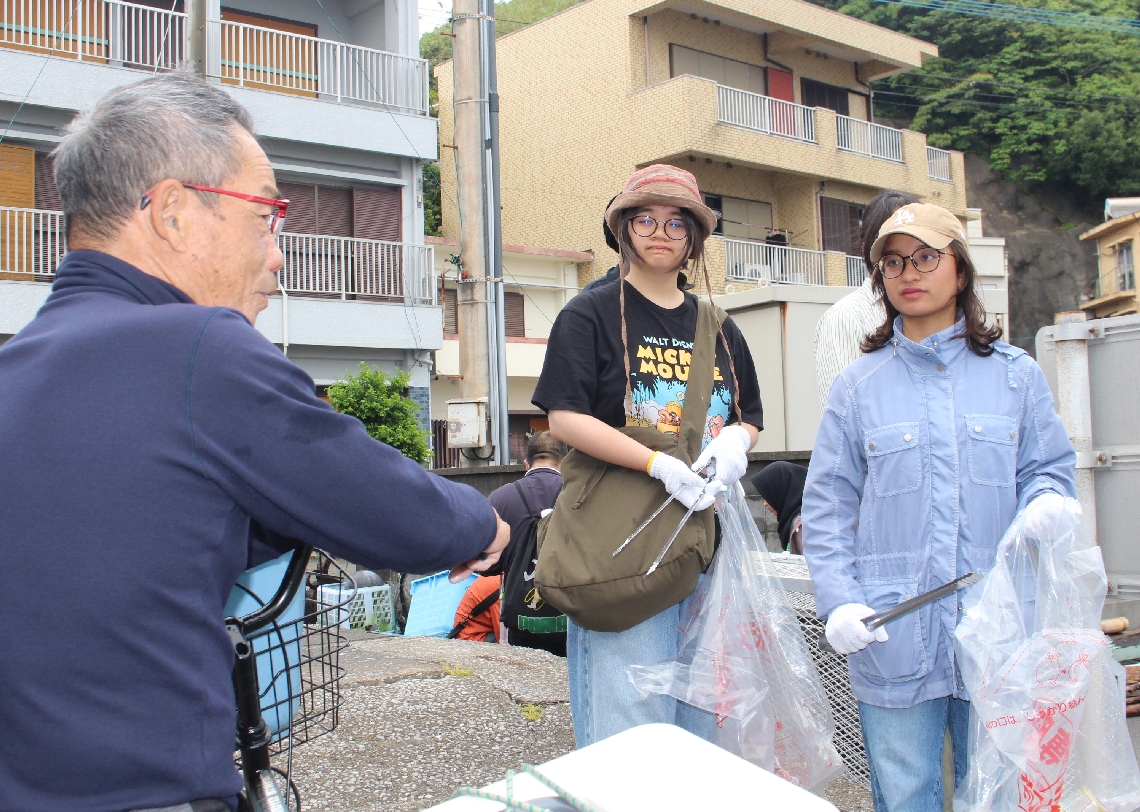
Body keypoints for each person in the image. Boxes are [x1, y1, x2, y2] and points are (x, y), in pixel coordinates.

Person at [0, 73, 509, 812]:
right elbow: (392, 509)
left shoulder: (17, 367)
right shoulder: (197, 346)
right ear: (173, 211)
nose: (276, 254)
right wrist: (483, 522)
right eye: (267, 214)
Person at [801, 202, 1076, 812]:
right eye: (893, 262)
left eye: (926, 256)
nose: (909, 272)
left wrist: (1047, 503)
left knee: (1000, 794)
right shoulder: (858, 387)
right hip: (893, 630)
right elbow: (828, 504)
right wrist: (839, 597)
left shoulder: (1015, 377)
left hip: (999, 627)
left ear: (960, 269)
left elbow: (1048, 469)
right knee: (903, 795)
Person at [533, 164, 764, 746]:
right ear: (622, 229)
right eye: (645, 219)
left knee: (703, 720)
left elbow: (749, 415)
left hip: (708, 541)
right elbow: (563, 416)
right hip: (622, 540)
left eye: (676, 222)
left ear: (694, 238)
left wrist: (737, 442)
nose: (660, 232)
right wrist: (655, 462)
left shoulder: (719, 324)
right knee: (628, 720)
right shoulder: (588, 313)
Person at [813, 191, 919, 409]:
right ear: (867, 248)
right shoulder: (846, 316)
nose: (907, 265)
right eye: (891, 251)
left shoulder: (935, 310)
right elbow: (841, 419)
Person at [482, 430, 569, 655]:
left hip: (521, 623)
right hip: (572, 621)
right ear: (566, 461)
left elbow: (487, 567)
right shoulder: (578, 494)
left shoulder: (500, 498)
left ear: (526, 463)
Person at [750, 461, 807, 554]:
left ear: (781, 491)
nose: (765, 503)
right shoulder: (797, 520)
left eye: (768, 495)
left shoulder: (802, 526)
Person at [452, 574, 502, 642]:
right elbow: (503, 635)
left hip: (481, 626)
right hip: (470, 638)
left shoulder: (500, 572)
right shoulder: (501, 588)